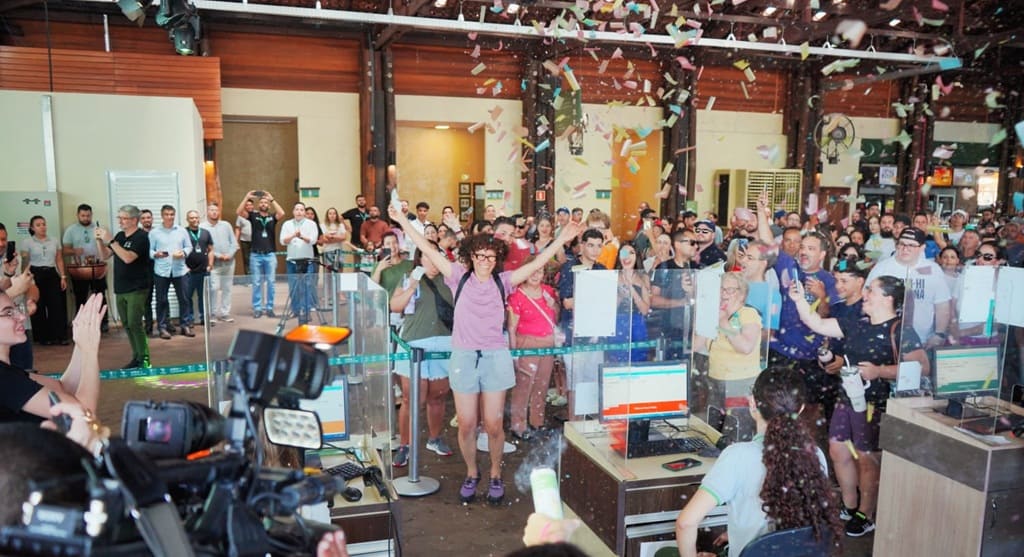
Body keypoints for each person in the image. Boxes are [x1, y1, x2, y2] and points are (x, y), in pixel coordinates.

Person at [391, 204, 581, 505]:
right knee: (466, 423)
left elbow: (537, 263)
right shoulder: (456, 275)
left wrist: (563, 238)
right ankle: (471, 472)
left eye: (490, 257)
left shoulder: (503, 282)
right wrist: (402, 219)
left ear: (497, 260)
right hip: (464, 356)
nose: (484, 261)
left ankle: (494, 472)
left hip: (494, 357)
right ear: (471, 256)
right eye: (479, 256)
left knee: (493, 424)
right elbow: (425, 245)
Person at [788, 275, 930, 537]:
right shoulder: (856, 325)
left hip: (877, 404)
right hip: (848, 397)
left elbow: (922, 367)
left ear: (888, 298)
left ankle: (866, 514)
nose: (865, 295)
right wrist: (798, 300)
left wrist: (880, 371)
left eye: (871, 291)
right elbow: (815, 322)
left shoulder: (900, 330)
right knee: (837, 450)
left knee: (866, 459)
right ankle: (849, 505)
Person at [674, 368, 842, 557]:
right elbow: (795, 519)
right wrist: (741, 534)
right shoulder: (815, 454)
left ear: (752, 403)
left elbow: (686, 523)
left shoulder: (737, 456)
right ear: (801, 408)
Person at [389, 242, 454, 467]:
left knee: (438, 395)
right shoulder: (409, 277)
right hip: (412, 343)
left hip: (445, 341)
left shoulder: (451, 278)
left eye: (436, 255)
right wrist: (411, 286)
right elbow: (395, 306)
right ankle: (405, 444)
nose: (433, 261)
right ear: (420, 259)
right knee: (411, 398)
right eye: (428, 256)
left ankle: (434, 438)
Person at [0, 290, 104, 423]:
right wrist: (89, 350)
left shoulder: (9, 372)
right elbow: (83, 414)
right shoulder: (4, 379)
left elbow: (64, 387)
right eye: (9, 313)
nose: (21, 316)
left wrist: (81, 342)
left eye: (16, 309)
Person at [694, 272, 763, 441]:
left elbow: (746, 346)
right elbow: (695, 346)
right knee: (713, 432)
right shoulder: (714, 315)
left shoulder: (748, 314)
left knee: (737, 432)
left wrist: (723, 322)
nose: (724, 294)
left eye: (730, 290)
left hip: (740, 383)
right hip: (715, 380)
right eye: (721, 289)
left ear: (742, 295)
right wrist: (702, 317)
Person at [866, 227, 951, 347]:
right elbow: (866, 299)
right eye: (902, 244)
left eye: (911, 245)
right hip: (886, 338)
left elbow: (942, 304)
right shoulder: (881, 268)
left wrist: (939, 334)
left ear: (922, 248)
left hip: (923, 340)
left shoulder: (934, 270)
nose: (905, 249)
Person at [507, 257, 559, 441]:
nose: (536, 275)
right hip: (526, 344)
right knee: (523, 386)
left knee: (542, 384)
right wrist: (514, 354)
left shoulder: (548, 292)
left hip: (548, 344)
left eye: (540, 271)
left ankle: (537, 422)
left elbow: (555, 317)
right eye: (533, 270)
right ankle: (518, 425)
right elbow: (512, 328)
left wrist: (553, 305)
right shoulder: (517, 296)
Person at [97, 205, 152, 369]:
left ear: (134, 220)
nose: (120, 221)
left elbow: (128, 258)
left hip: (137, 287)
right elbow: (104, 256)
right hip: (121, 287)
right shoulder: (121, 236)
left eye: (124, 218)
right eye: (119, 218)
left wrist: (111, 241)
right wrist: (100, 240)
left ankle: (144, 357)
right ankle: (137, 356)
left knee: (135, 323)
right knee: (127, 324)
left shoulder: (142, 237)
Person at [650, 229, 698, 358]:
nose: (696, 246)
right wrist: (681, 303)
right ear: (677, 244)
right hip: (670, 331)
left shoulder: (698, 268)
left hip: (694, 333)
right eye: (691, 243)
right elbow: (653, 299)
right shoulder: (665, 268)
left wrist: (693, 293)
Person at [238, 190, 285, 318]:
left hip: (270, 255)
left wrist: (272, 199)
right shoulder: (253, 216)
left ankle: (269, 307)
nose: (264, 204)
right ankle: (257, 308)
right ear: (258, 205)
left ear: (268, 205)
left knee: (271, 282)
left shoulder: (272, 217)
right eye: (261, 202)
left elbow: (282, 213)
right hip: (256, 255)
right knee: (257, 282)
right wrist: (246, 197)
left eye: (266, 202)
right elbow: (239, 212)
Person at [62, 204, 109, 332]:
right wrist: (74, 251)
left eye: (88, 215)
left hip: (97, 267)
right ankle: (81, 322)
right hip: (79, 270)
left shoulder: (99, 228)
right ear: (78, 215)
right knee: (80, 296)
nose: (85, 218)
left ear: (91, 215)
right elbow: (65, 250)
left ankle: (103, 322)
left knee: (100, 295)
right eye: (83, 215)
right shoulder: (71, 230)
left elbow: (108, 247)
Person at [149, 205, 194, 338]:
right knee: (161, 300)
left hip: (180, 270)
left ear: (174, 215)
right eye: (167, 214)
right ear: (162, 216)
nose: (169, 217)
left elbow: (189, 246)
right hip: (161, 271)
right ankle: (162, 328)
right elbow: (150, 251)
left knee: (185, 299)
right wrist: (156, 254)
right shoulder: (154, 232)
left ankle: (185, 326)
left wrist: (184, 252)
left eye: (172, 214)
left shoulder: (182, 231)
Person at [23, 215, 68, 345]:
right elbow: (25, 262)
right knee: (39, 305)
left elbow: (59, 259)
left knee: (56, 305)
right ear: (32, 228)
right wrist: (26, 279)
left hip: (51, 273)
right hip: (35, 274)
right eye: (38, 225)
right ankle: (43, 337)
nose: (42, 227)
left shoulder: (54, 240)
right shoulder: (27, 242)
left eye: (44, 224)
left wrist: (63, 276)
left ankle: (59, 336)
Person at [608, 242, 651, 363]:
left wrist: (631, 289)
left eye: (631, 253)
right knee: (617, 360)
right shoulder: (613, 276)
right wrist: (621, 296)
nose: (627, 257)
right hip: (618, 323)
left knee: (638, 359)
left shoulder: (643, 277)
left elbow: (645, 310)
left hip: (638, 324)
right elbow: (608, 310)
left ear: (636, 256)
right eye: (624, 253)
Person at [279, 202, 320, 325]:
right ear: (293, 211)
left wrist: (301, 236)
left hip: (307, 260)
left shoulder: (311, 224)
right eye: (297, 209)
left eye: (302, 210)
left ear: (304, 212)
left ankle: (306, 311)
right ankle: (295, 310)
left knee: (307, 286)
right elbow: (282, 241)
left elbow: (313, 240)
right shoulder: (287, 224)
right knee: (293, 286)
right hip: (291, 260)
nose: (299, 212)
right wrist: (293, 235)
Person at [202, 203, 239, 323]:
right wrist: (219, 256)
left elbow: (234, 242)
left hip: (229, 262)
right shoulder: (203, 227)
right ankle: (212, 313)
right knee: (214, 288)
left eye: (216, 210)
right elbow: (205, 247)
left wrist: (230, 254)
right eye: (212, 210)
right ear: (207, 212)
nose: (214, 212)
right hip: (214, 263)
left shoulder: (226, 225)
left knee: (227, 288)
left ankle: (225, 313)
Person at [183, 210, 214, 327]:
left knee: (204, 297)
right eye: (191, 218)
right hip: (188, 272)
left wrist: (210, 265)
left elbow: (211, 250)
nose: (194, 220)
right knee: (187, 297)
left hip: (204, 271)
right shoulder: (184, 233)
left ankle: (204, 318)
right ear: (187, 219)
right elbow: (180, 250)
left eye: (196, 217)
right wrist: (184, 267)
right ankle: (189, 319)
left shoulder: (206, 233)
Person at [319, 207, 352, 271]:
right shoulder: (322, 225)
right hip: (327, 251)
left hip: (339, 250)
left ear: (336, 215)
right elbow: (324, 240)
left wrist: (331, 237)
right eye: (330, 213)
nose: (332, 215)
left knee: (339, 271)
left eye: (334, 213)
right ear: (327, 215)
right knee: (328, 272)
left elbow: (344, 238)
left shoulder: (341, 225)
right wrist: (338, 238)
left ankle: (338, 281)